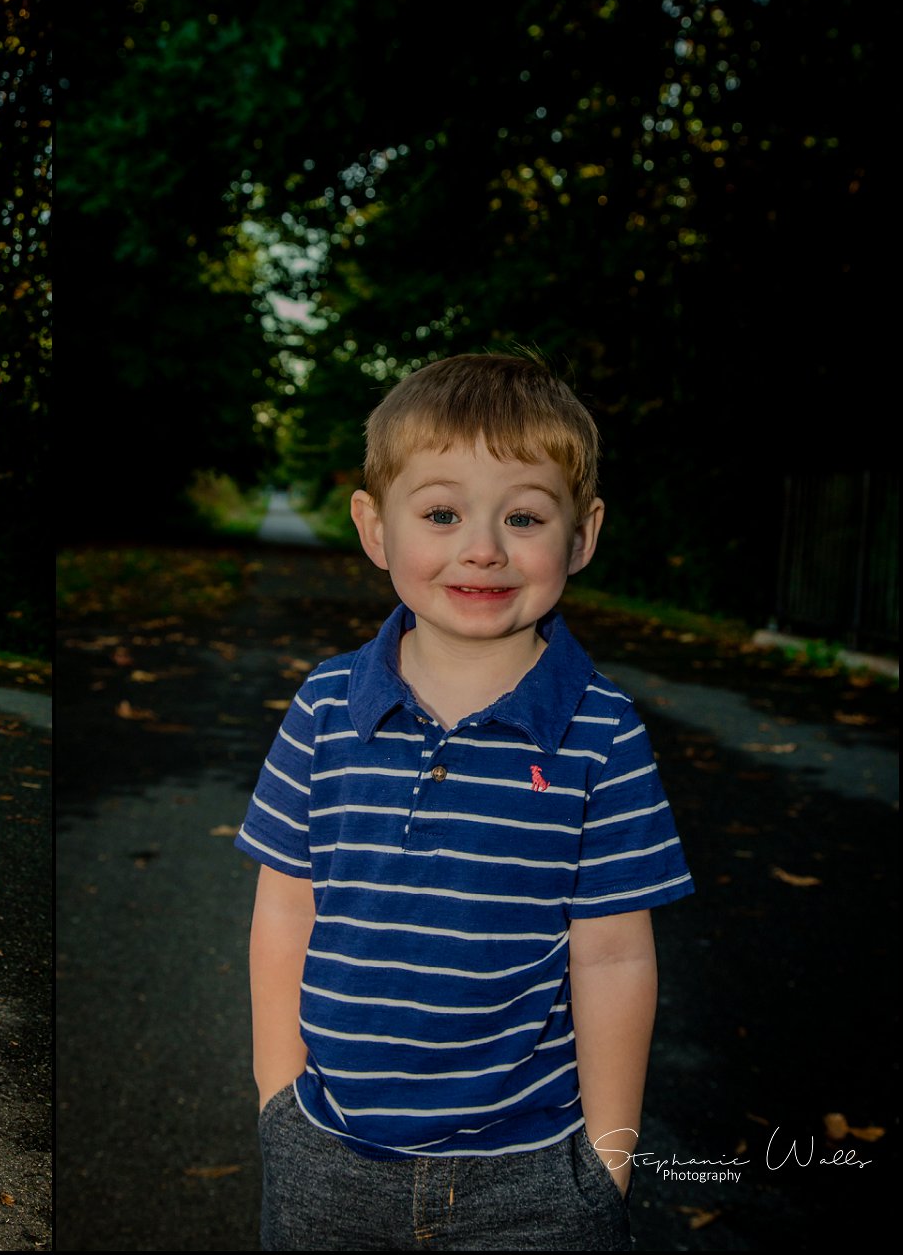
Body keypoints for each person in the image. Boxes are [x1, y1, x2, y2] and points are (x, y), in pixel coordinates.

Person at [238, 353, 694, 1250]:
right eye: (441, 512)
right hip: (326, 1155)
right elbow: (286, 908)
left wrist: (607, 1162)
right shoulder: (325, 708)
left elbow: (609, 957)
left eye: (522, 515)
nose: (481, 546)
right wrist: (277, 1107)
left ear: (581, 534)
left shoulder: (600, 732)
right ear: (375, 528)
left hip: (531, 1175)